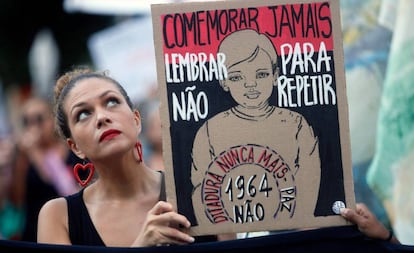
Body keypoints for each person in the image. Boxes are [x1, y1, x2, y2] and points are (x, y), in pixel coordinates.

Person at [37, 66, 235, 247]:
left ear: (136, 120)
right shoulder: (58, 216)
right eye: (83, 114)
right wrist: (141, 247)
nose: (101, 117)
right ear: (75, 147)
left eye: (111, 102)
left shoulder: (202, 191)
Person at [191, 29, 321, 227]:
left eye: (261, 74)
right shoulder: (209, 130)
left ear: (275, 75)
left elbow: (310, 185)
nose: (250, 84)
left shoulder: (296, 124)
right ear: (223, 81)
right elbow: (200, 193)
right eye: (236, 77)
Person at [10, 96, 80, 242]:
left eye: (39, 118)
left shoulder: (71, 149)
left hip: (71, 226)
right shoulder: (23, 155)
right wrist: (23, 159)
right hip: (34, 232)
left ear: (51, 120)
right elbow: (17, 200)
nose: (33, 125)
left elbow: (66, 189)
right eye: (27, 121)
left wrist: (34, 153)